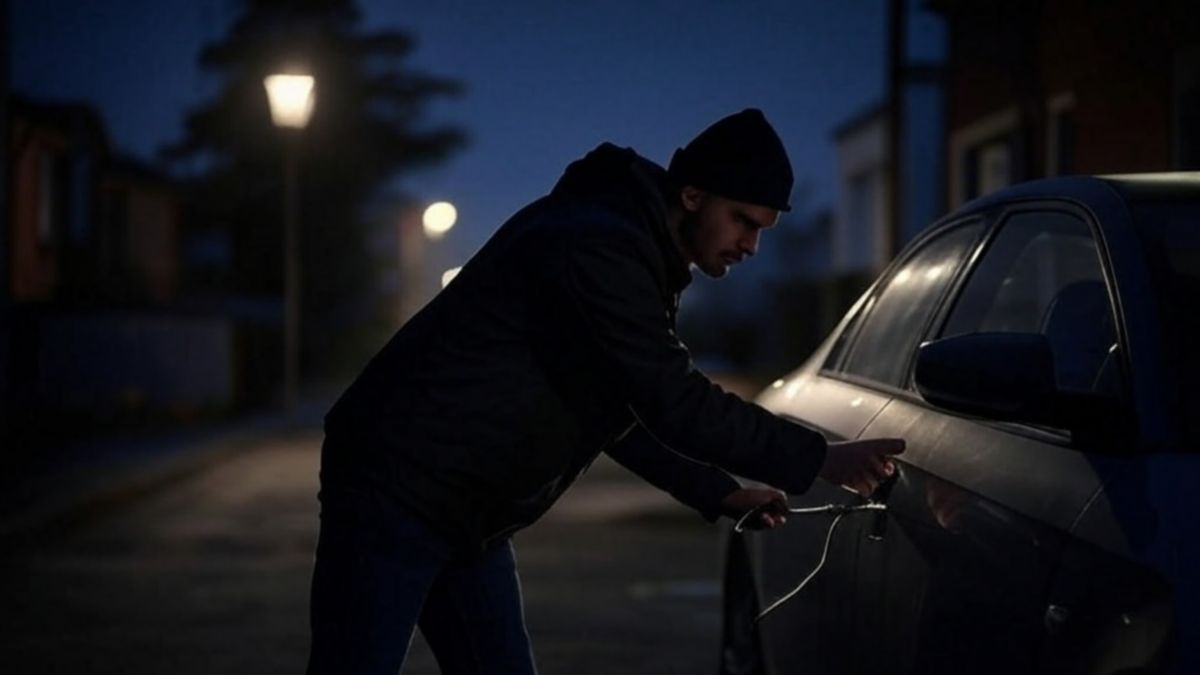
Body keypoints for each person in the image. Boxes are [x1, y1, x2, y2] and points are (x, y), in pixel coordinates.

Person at [307, 108, 904, 675]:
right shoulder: (597, 246)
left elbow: (615, 406)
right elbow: (674, 400)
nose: (751, 245)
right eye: (743, 221)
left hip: (467, 508)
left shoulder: (632, 249)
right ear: (693, 196)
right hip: (396, 488)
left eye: (763, 230)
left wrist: (716, 492)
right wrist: (822, 456)